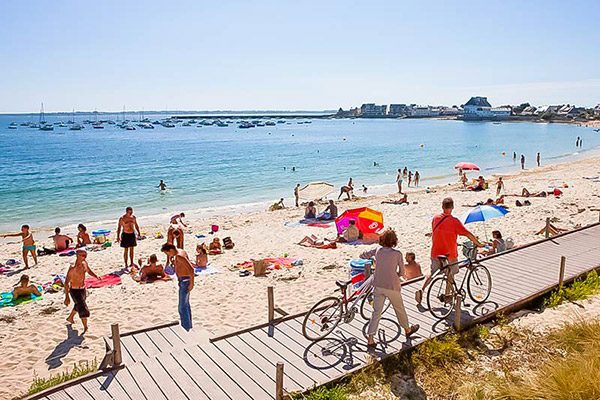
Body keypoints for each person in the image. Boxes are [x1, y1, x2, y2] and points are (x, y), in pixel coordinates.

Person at [415, 197, 484, 305]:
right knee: (451, 273)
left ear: (442, 207)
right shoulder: (454, 221)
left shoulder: (436, 218)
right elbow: (467, 234)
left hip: (435, 252)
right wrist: (478, 243)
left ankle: (422, 289)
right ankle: (447, 296)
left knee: (432, 272)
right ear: (452, 207)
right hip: (449, 253)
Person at [360, 229, 420, 347]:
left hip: (378, 284)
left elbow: (362, 255)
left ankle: (371, 338)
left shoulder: (377, 250)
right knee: (399, 308)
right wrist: (394, 275)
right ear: (394, 241)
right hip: (392, 286)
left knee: (376, 312)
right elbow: (402, 273)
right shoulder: (397, 254)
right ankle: (407, 330)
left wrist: (374, 261)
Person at [161, 243, 195, 331]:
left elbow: (191, 269)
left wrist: (192, 283)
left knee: (182, 306)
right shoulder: (180, 252)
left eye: (167, 253)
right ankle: (188, 325)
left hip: (185, 281)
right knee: (186, 304)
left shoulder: (180, 256)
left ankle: (185, 328)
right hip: (183, 280)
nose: (168, 255)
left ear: (171, 250)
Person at [64, 249, 99, 333]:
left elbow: (88, 271)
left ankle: (70, 318)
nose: (85, 257)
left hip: (83, 289)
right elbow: (66, 283)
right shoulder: (72, 268)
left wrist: (96, 276)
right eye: (83, 255)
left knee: (78, 305)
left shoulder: (84, 263)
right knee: (83, 308)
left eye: (85, 255)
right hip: (74, 291)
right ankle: (85, 327)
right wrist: (67, 297)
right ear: (77, 256)